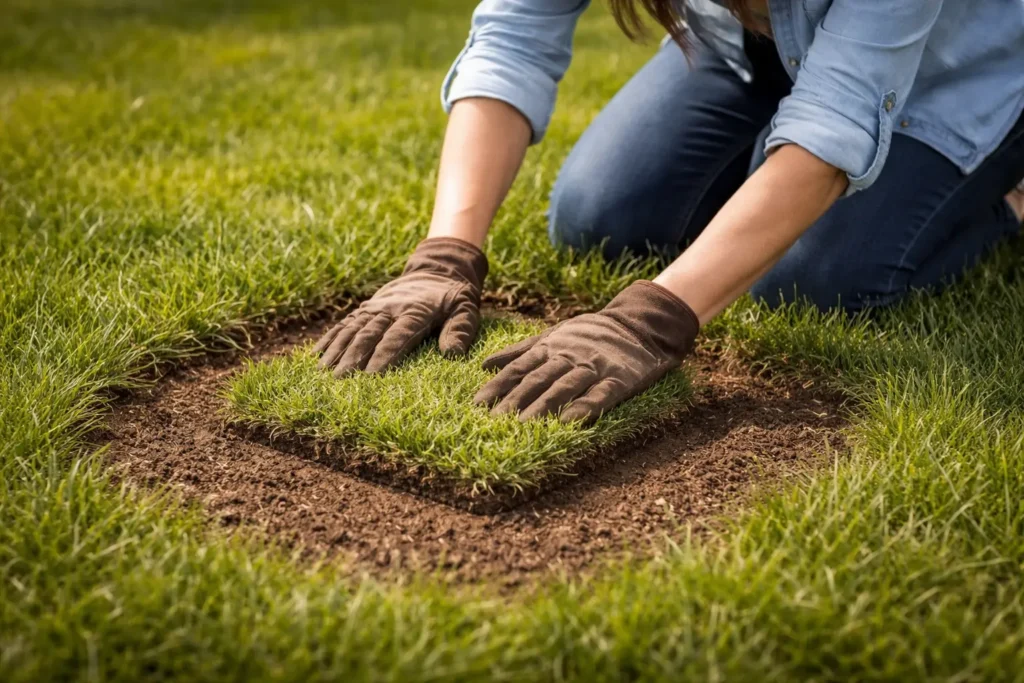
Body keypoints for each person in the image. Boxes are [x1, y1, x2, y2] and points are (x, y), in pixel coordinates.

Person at [315, 0, 1024, 424]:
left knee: (813, 280)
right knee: (598, 219)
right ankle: (763, 178)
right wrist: (445, 252)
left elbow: (835, 122)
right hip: (749, 44)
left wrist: (654, 317)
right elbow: (510, 41)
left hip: (952, 69)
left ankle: (1005, 193)